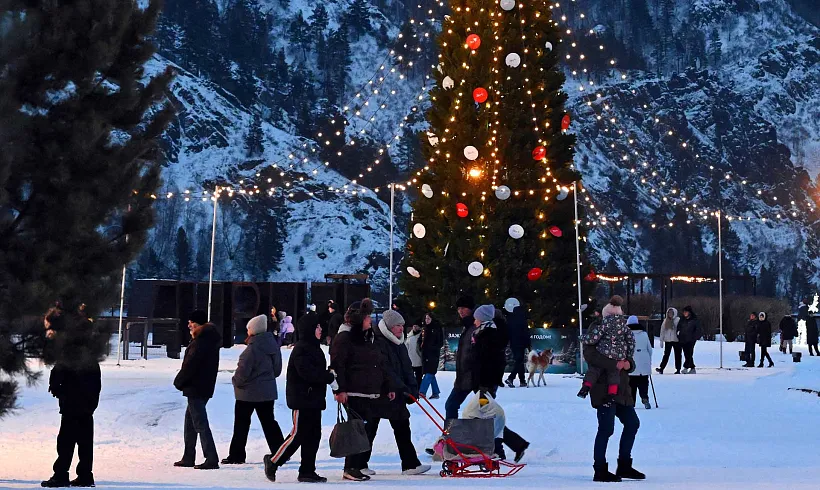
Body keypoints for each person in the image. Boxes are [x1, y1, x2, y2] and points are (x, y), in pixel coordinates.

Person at [264, 313, 338, 483]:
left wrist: (328, 375)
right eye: (317, 327)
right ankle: (274, 460)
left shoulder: (313, 347)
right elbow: (307, 373)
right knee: (298, 434)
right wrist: (328, 377)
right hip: (302, 399)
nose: (320, 329)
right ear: (310, 329)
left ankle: (307, 470)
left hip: (313, 399)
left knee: (313, 436)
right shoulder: (302, 348)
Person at [329, 299, 393, 482]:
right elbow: (337, 366)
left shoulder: (366, 337)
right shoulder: (344, 338)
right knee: (356, 429)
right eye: (366, 317)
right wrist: (339, 390)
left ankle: (357, 465)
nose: (370, 320)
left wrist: (386, 386)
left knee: (367, 429)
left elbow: (378, 364)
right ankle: (350, 466)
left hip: (369, 390)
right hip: (354, 391)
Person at [363, 310, 430, 475]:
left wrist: (412, 387)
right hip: (383, 392)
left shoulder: (399, 342)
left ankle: (409, 463)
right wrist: (403, 388)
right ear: (388, 327)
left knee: (399, 426)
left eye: (401, 325)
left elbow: (406, 368)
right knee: (373, 427)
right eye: (397, 326)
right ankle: (359, 463)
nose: (401, 328)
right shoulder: (378, 342)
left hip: (396, 391)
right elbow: (385, 369)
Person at [41, 312, 102, 488]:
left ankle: (61, 474)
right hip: (86, 402)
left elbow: (60, 371)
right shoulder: (89, 353)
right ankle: (85, 475)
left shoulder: (72, 351)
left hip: (73, 401)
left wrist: (59, 389)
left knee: (66, 440)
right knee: (84, 440)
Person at [223, 314, 285, 465]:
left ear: (253, 330)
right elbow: (277, 370)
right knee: (269, 422)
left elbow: (242, 373)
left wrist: (235, 381)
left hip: (247, 394)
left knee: (241, 424)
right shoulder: (272, 345)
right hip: (267, 391)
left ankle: (236, 455)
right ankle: (281, 451)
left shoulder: (252, 349)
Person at [583, 340, 644, 483]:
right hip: (604, 391)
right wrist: (612, 363)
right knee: (606, 429)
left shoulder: (622, 330)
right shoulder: (597, 331)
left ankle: (624, 465)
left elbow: (628, 357)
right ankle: (600, 470)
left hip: (622, 391)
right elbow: (591, 357)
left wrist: (629, 364)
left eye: (618, 315)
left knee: (632, 423)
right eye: (611, 315)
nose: (615, 316)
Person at [173, 310, 221, 470]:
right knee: (190, 422)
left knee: (200, 423)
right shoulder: (208, 338)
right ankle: (188, 456)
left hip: (196, 386)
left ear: (197, 323)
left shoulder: (201, 341)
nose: (188, 324)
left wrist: (179, 381)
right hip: (203, 385)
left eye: (191, 321)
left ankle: (211, 457)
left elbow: (191, 365)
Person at [578, 314, 635, 403]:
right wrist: (627, 357)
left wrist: (582, 338)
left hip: (605, 352)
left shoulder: (603, 326)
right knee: (614, 373)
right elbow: (631, 343)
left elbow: (592, 338)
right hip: (618, 357)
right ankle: (612, 394)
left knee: (594, 371)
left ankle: (586, 386)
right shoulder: (624, 328)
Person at [626, 316, 652, 410]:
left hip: (631, 362)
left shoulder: (626, 334)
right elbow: (650, 349)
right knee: (643, 382)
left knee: (631, 384)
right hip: (643, 361)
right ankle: (644, 397)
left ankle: (632, 402)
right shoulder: (644, 334)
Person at [419, 312, 443, 399]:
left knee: (429, 372)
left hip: (433, 354)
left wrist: (432, 348)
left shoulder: (436, 328)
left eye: (428, 318)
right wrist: (421, 346)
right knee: (430, 373)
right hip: (426, 354)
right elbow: (421, 340)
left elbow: (440, 342)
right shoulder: (425, 329)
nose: (426, 320)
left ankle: (422, 392)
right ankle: (435, 392)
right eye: (425, 318)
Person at [504, 306, 530, 388]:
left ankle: (522, 381)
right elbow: (526, 333)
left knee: (519, 361)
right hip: (521, 344)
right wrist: (528, 345)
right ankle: (511, 378)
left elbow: (507, 333)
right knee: (519, 361)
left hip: (513, 344)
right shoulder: (523, 320)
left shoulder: (510, 320)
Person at [676, 306, 702, 374]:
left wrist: (694, 337)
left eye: (686, 312)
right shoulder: (682, 320)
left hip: (691, 339)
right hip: (683, 339)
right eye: (684, 312)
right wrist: (678, 334)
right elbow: (679, 327)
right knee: (687, 354)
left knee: (689, 353)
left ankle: (686, 367)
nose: (684, 313)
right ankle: (692, 367)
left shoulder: (694, 320)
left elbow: (698, 330)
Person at [656, 308, 681, 374]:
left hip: (676, 340)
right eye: (669, 313)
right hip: (668, 340)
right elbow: (662, 330)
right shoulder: (665, 321)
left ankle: (678, 369)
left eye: (671, 313)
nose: (670, 314)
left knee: (678, 355)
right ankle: (661, 368)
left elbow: (681, 329)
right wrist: (661, 340)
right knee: (666, 355)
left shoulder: (678, 320)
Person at [405, 322, 424, 387]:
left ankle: (418, 390)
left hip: (419, 361)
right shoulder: (409, 336)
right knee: (410, 377)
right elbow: (406, 347)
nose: (415, 327)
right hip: (410, 360)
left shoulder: (422, 336)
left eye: (417, 326)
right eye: (414, 326)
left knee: (419, 377)